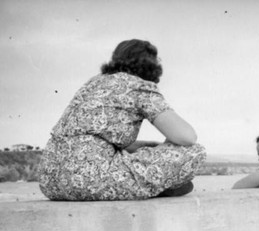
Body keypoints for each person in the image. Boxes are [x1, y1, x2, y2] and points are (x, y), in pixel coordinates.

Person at [39, 39, 206, 200]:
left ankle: (145, 185)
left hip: (51, 183)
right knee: (194, 150)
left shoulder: (92, 83)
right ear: (151, 64)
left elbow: (92, 138)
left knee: (147, 149)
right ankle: (154, 187)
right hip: (89, 182)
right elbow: (187, 137)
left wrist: (147, 146)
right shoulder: (139, 85)